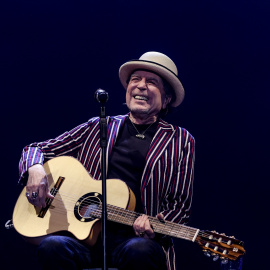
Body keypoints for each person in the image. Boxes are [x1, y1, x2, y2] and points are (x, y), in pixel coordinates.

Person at [18, 51, 195, 270]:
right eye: (135, 79)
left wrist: (155, 224)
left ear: (166, 97)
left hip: (136, 241)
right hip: (82, 239)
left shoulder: (180, 139)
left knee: (140, 251)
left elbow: (179, 206)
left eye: (152, 82)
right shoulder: (98, 126)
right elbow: (36, 149)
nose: (141, 86)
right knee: (52, 246)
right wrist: (34, 169)